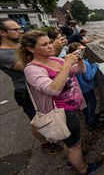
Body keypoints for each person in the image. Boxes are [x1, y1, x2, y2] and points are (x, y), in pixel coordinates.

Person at [17, 31, 103, 174]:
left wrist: (79, 57)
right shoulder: (32, 69)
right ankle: (84, 169)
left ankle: (73, 157)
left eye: (50, 42)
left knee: (70, 141)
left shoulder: (56, 60)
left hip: (74, 107)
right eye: (44, 44)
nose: (51, 46)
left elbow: (81, 70)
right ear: (31, 49)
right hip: (62, 113)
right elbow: (53, 89)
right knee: (75, 144)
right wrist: (68, 63)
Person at [0, 18, 63, 154]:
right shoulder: (2, 54)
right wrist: (54, 48)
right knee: (38, 120)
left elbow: (47, 62)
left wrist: (52, 50)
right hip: (25, 91)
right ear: (2, 33)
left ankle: (56, 137)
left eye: (19, 28)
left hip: (39, 87)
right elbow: (29, 66)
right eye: (15, 30)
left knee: (49, 115)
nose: (20, 31)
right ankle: (46, 144)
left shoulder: (19, 46)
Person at [68, 42, 103, 130]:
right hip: (87, 88)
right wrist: (94, 66)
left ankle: (88, 118)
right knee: (93, 102)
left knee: (84, 104)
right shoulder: (85, 64)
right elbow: (89, 77)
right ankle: (91, 121)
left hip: (79, 88)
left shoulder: (70, 62)